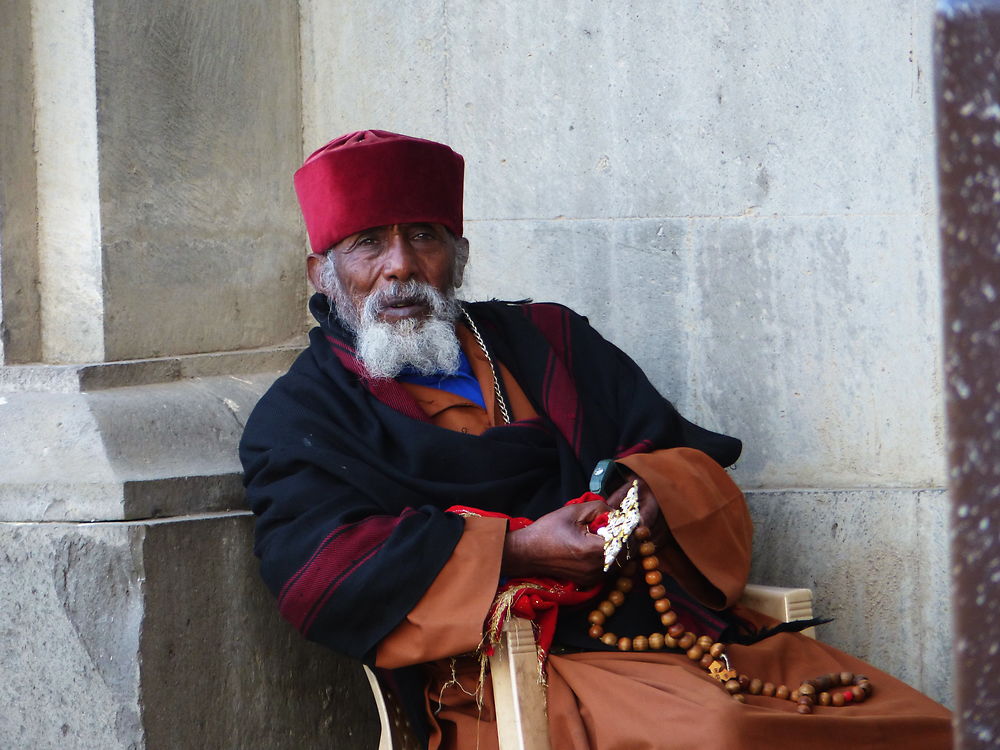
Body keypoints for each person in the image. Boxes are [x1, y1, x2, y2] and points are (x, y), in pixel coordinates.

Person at [240, 129, 952, 749]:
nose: (400, 265)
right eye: (369, 243)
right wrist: (517, 549)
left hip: (662, 625)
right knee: (725, 736)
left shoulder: (547, 338)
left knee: (925, 723)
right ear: (323, 273)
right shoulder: (301, 416)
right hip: (506, 674)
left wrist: (632, 512)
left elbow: (674, 457)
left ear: (458, 255)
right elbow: (323, 576)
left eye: (423, 236)